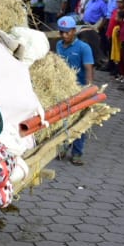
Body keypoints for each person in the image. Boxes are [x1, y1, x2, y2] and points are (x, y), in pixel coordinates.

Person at [55, 16, 93, 166]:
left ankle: (77, 153)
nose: (64, 36)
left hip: (78, 88)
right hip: (63, 89)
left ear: (74, 31)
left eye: (67, 32)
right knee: (62, 120)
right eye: (61, 32)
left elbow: (89, 69)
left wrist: (88, 90)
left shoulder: (84, 48)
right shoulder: (59, 45)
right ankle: (64, 146)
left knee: (79, 121)